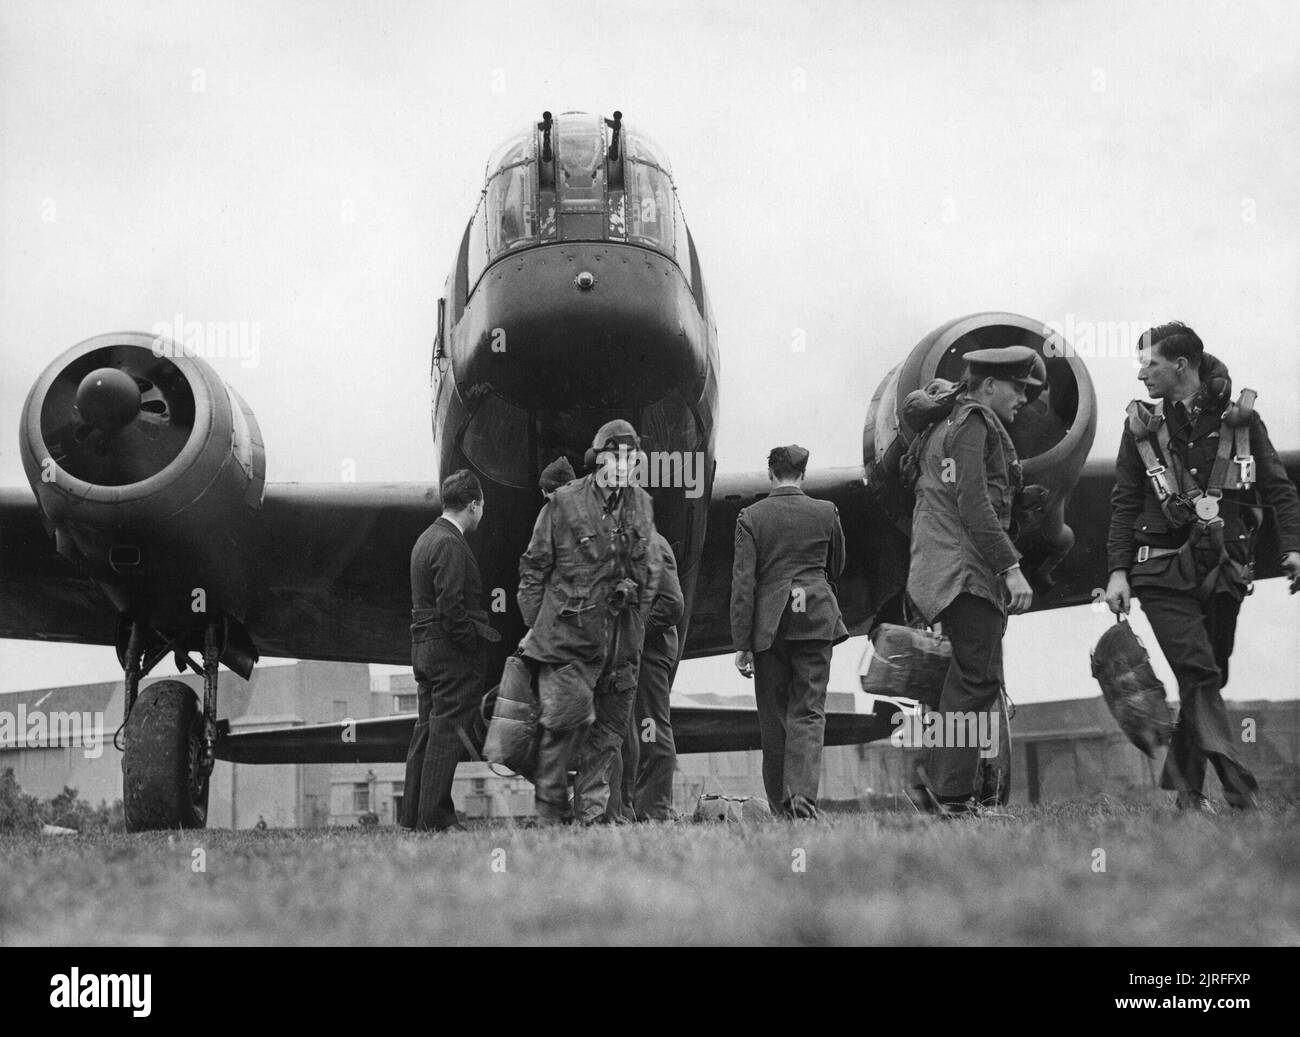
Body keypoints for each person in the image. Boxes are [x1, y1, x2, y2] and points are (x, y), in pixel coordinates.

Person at [1104, 322, 1300, 812]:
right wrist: (1118, 572)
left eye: (1149, 364)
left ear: (1181, 365)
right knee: (1197, 667)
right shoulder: (1140, 429)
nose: (1142, 375)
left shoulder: (1241, 423)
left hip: (1227, 567)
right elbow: (1125, 503)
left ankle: (1188, 795)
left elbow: (1278, 489)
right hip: (1160, 571)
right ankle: (1238, 787)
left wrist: (1293, 548)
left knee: (1210, 676)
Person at [906, 346, 1039, 817]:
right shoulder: (975, 422)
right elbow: (974, 503)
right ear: (988, 386)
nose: (1024, 397)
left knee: (964, 680)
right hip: (965, 572)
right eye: (1017, 387)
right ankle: (951, 794)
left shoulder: (943, 425)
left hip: (939, 569)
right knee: (978, 679)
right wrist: (1011, 568)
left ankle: (939, 785)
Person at [517, 420, 661, 825]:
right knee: (562, 731)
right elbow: (532, 573)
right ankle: (550, 815)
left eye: (630, 460)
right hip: (569, 645)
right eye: (615, 458)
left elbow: (649, 573)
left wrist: (633, 615)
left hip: (618, 648)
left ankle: (593, 818)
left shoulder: (641, 505)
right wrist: (542, 629)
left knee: (607, 738)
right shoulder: (562, 504)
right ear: (599, 461)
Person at [731, 445, 847, 819]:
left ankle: (782, 807)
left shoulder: (751, 516)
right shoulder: (826, 512)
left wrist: (742, 643)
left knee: (773, 718)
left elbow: (743, 586)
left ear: (770, 474)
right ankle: (802, 797)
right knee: (809, 711)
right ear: (804, 473)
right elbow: (838, 565)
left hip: (770, 624)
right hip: (815, 617)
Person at [402, 469, 500, 832]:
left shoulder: (426, 539)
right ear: (473, 505)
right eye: (482, 505)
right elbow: (452, 605)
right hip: (449, 654)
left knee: (426, 731)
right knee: (446, 734)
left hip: (423, 648)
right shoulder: (450, 544)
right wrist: (469, 643)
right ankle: (437, 817)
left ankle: (413, 816)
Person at [614, 530, 685, 821]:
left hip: (650, 653)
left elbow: (672, 604)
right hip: (632, 652)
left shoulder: (651, 544)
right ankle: (631, 807)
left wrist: (635, 635)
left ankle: (654, 809)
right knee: (632, 729)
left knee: (650, 726)